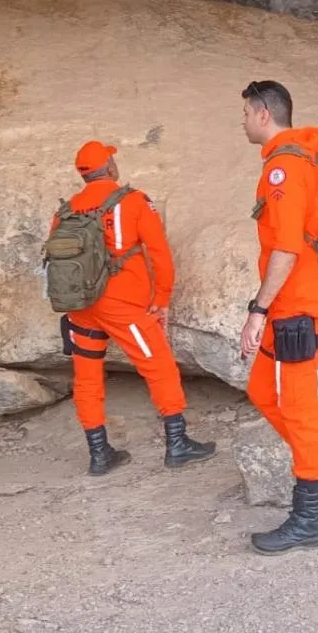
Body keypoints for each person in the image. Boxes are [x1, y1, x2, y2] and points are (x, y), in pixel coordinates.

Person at [240, 80, 318, 555]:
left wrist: (258, 309)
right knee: (262, 390)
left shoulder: (286, 167)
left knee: (305, 413)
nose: (244, 122)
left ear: (263, 113)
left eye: (246, 113)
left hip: (298, 309)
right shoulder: (296, 159)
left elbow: (287, 248)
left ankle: (307, 516)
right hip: (290, 306)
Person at [50, 141, 216, 476]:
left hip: (81, 307)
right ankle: (177, 443)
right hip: (123, 307)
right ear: (111, 166)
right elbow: (159, 255)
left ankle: (99, 454)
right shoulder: (133, 201)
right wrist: (162, 299)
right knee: (159, 367)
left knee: (87, 378)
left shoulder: (65, 211)